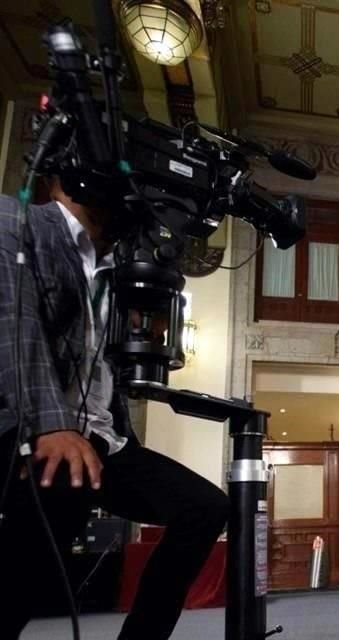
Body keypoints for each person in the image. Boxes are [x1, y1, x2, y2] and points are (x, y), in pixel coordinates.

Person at [0, 179, 230, 640]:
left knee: (204, 507)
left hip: (105, 441)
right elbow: (14, 322)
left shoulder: (116, 267)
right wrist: (49, 424)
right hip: (36, 431)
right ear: (65, 181)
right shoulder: (17, 220)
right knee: (24, 582)